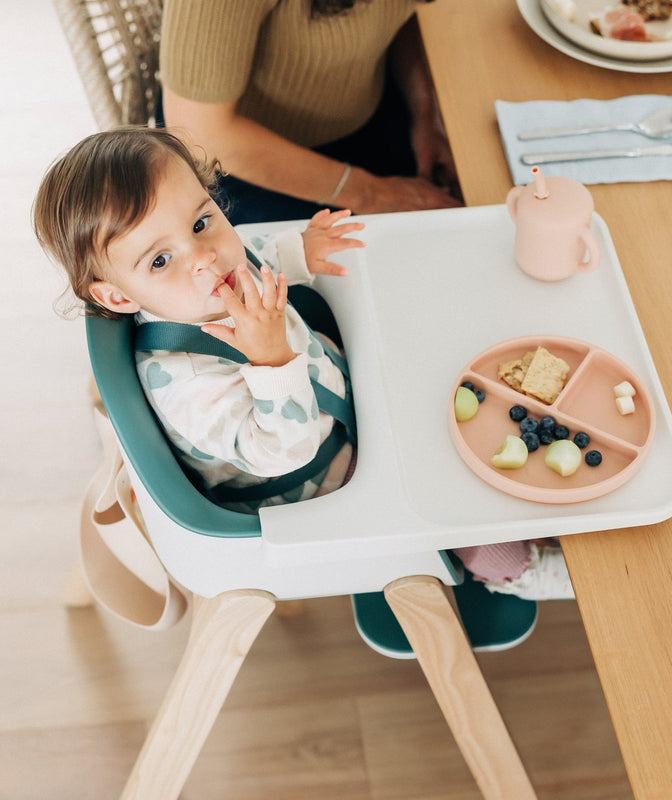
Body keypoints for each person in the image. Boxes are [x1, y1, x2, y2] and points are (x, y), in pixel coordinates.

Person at [32, 126, 573, 601]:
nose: (205, 257)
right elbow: (284, 452)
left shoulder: (204, 280)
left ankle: (523, 506)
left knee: (452, 393)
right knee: (441, 492)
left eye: (202, 223)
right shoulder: (189, 384)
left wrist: (298, 253)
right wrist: (270, 359)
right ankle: (512, 570)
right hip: (322, 481)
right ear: (122, 298)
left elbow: (255, 258)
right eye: (159, 259)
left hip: (338, 406)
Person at [159, 0, 462, 224]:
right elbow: (199, 131)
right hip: (239, 164)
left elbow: (394, 13)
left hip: (369, 109)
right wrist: (370, 194)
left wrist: (425, 113)